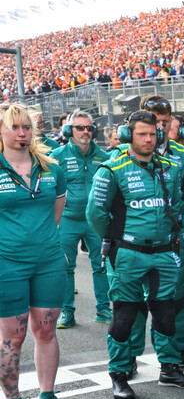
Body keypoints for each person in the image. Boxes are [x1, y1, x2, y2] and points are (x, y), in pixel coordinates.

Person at [87, 111, 184, 399]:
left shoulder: (169, 167)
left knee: (166, 312)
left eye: (153, 134)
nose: (148, 139)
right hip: (128, 253)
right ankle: (118, 373)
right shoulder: (111, 168)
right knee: (125, 314)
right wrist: (115, 239)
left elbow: (178, 205)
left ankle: (168, 367)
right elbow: (95, 214)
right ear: (129, 135)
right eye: (142, 134)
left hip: (164, 252)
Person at [0, 104, 69, 399]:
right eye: (14, 127)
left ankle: (47, 395)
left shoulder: (51, 167)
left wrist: (41, 244)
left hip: (49, 261)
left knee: (46, 330)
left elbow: (56, 213)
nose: (21, 133)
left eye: (26, 127)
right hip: (7, 265)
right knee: (13, 337)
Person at [52, 110, 112, 329]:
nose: (85, 131)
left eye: (89, 128)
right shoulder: (56, 156)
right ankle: (67, 312)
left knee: (101, 265)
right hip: (67, 220)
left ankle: (104, 308)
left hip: (94, 220)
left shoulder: (104, 157)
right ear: (69, 131)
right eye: (80, 127)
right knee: (66, 266)